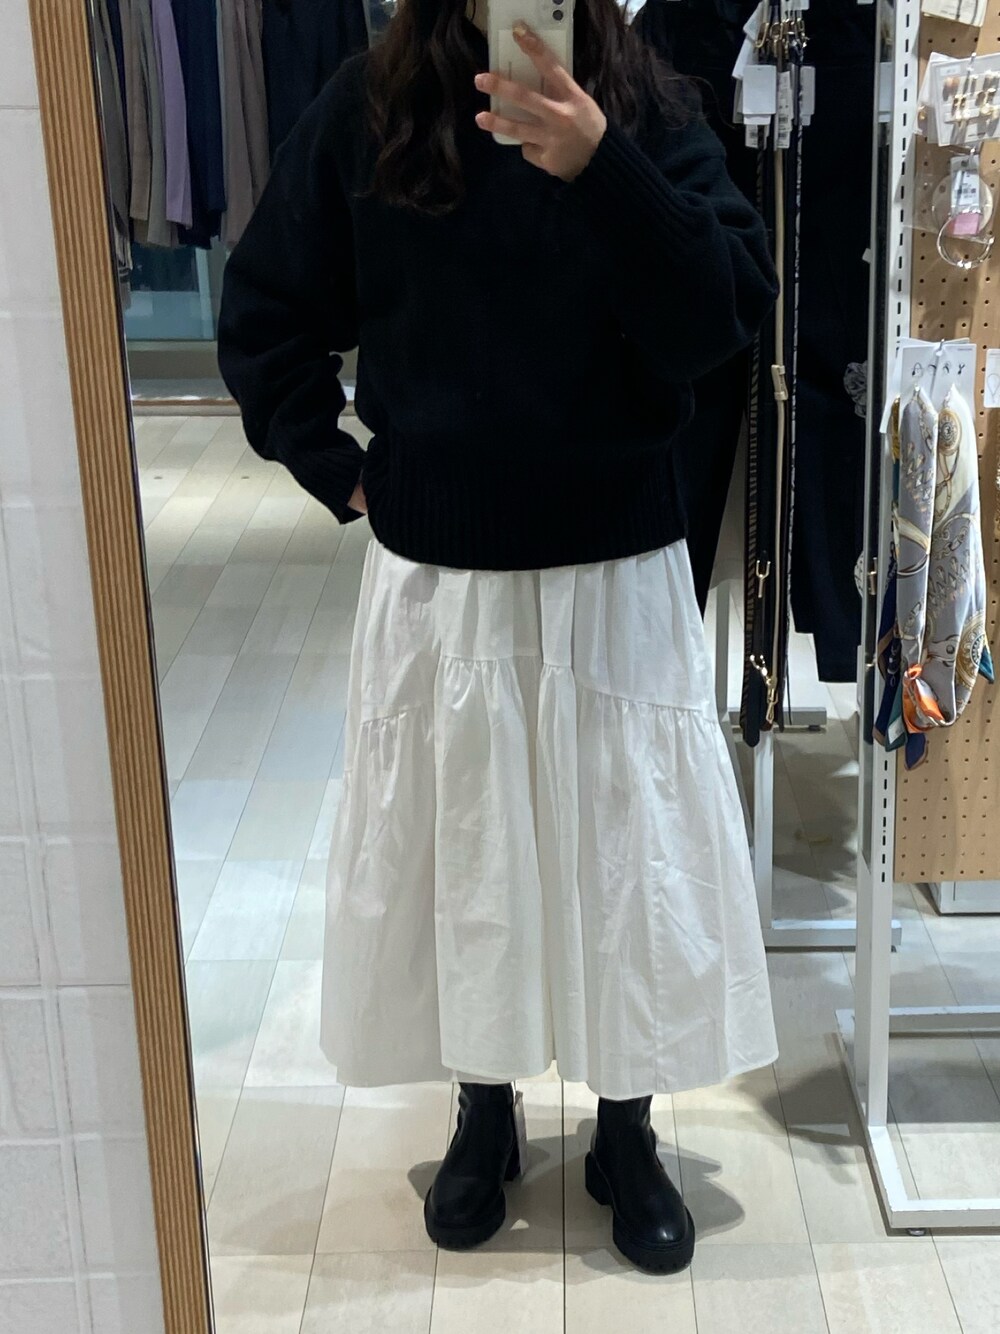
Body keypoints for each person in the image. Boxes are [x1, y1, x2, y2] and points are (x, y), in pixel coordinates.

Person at [217, 0, 779, 1276]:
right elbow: (264, 309)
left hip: (616, 566)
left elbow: (720, 317)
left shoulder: (643, 104)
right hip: (444, 579)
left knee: (624, 857)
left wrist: (602, 168)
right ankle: (483, 1102)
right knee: (463, 850)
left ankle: (626, 1124)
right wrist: (337, 466)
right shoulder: (373, 104)